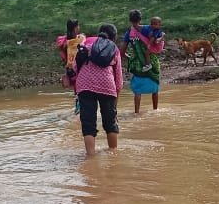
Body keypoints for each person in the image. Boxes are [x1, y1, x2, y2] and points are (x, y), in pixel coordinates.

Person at [74, 23, 122, 156]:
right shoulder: (114, 48)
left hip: (84, 85)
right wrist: (115, 106)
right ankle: (113, 153)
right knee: (110, 122)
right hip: (107, 85)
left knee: (88, 122)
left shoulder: (87, 42)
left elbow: (74, 66)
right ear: (114, 37)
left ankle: (90, 156)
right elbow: (118, 79)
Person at [123, 9, 161, 113]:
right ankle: (155, 110)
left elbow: (122, 52)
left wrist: (130, 58)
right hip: (152, 62)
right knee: (155, 89)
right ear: (140, 19)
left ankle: (136, 112)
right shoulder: (148, 29)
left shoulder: (129, 33)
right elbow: (156, 43)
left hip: (138, 64)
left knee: (138, 91)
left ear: (130, 20)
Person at [56, 19, 86, 89]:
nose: (79, 27)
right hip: (76, 67)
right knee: (78, 86)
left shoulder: (64, 40)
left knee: (77, 87)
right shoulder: (79, 38)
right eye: (78, 26)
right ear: (75, 28)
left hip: (71, 68)